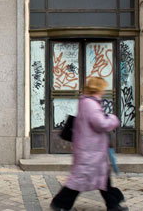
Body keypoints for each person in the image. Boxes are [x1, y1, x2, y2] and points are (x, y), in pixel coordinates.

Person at [51, 77, 128, 211]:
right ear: (97, 89)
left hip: (91, 149)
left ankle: (113, 204)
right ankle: (59, 203)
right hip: (91, 150)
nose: (104, 91)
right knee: (81, 180)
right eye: (102, 88)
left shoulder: (86, 102)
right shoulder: (91, 104)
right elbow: (101, 124)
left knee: (101, 178)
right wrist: (113, 118)